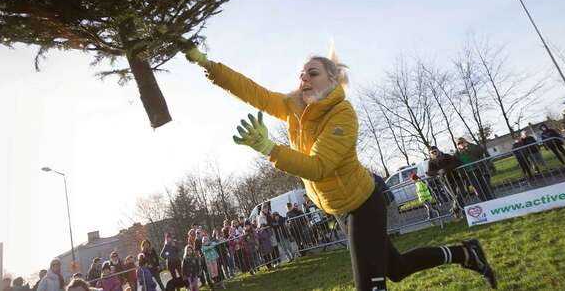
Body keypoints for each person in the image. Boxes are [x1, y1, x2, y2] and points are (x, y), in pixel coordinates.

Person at [183, 44, 497, 290]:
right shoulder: (294, 107)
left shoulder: (343, 114)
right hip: (340, 208)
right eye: (302, 74)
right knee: (397, 269)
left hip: (363, 204)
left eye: (313, 73)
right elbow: (254, 92)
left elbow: (319, 166)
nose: (304, 78)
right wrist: (207, 64)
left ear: (333, 80)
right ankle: (465, 253)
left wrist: (269, 149)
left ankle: (465, 253)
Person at [425, 146, 467, 213]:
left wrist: (445, 169)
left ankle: (454, 209)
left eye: (435, 151)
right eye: (432, 152)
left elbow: (456, 163)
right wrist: (437, 172)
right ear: (430, 154)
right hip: (445, 181)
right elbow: (428, 172)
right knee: (455, 197)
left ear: (438, 150)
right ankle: (463, 212)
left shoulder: (446, 156)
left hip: (456, 177)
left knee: (462, 193)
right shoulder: (431, 162)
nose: (434, 153)